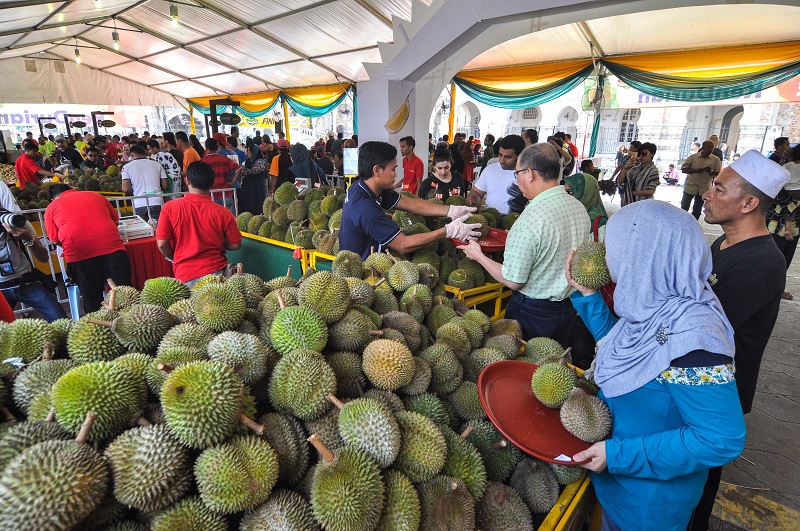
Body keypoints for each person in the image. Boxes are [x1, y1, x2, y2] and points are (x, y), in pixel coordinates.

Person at [566, 199, 746, 531]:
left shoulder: (695, 340)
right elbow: (625, 349)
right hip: (616, 485)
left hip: (650, 508)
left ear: (641, 255)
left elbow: (720, 439)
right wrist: (588, 296)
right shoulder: (654, 304)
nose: (608, 257)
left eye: (615, 247)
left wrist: (618, 456)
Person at [687, 150, 790, 530]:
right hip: (696, 375)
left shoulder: (760, 262)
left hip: (721, 385)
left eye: (719, 188)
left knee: (699, 480)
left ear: (749, 203)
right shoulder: (725, 244)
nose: (708, 194)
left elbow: (705, 326)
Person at [462, 142, 595, 368]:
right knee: (552, 368)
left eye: (517, 174)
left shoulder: (531, 218)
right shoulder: (577, 207)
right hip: (569, 308)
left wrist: (478, 255)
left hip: (535, 313)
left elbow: (513, 281)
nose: (516, 180)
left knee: (528, 370)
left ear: (530, 174)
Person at [339, 141, 480, 260]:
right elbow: (403, 245)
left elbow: (410, 203)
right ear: (377, 171)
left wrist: (450, 210)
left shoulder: (364, 187)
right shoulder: (365, 207)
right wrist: (447, 231)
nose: (396, 175)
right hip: (363, 274)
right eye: (393, 169)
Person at [44, 183, 132, 314]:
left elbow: (55, 239)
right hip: (112, 249)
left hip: (79, 255)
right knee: (124, 292)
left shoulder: (51, 207)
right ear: (73, 189)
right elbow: (115, 221)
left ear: (53, 198)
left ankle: (97, 325)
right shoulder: (96, 195)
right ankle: (131, 319)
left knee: (91, 297)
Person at [156, 161, 242, 287]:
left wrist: (176, 257)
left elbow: (162, 245)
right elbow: (235, 245)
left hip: (185, 275)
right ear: (212, 184)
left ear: (187, 181)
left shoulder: (169, 208)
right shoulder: (223, 212)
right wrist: (218, 241)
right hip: (217, 273)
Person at [0, 182, 67, 322]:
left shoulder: (17, 223)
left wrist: (27, 238)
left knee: (59, 320)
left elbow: (43, 258)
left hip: (26, 283)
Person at [764, 144, 799, 300]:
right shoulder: (788, 169)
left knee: (774, 255)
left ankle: (771, 287)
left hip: (776, 219)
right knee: (783, 257)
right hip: (786, 221)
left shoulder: (784, 167)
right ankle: (774, 288)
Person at [468, 134, 526, 215]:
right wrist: (473, 198)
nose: (502, 160)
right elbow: (477, 192)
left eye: (508, 157)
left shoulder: (528, 174)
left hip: (516, 223)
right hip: (489, 220)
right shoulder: (490, 169)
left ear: (519, 156)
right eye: (500, 155)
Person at [121, 145, 168, 221]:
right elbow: (165, 186)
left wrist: (134, 191)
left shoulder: (126, 167)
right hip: (156, 201)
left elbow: (125, 188)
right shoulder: (157, 164)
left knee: (145, 231)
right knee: (158, 230)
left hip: (139, 203)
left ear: (132, 155)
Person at [681, 140, 721, 219]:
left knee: (697, 209)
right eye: (708, 147)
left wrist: (711, 172)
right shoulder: (693, 157)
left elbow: (718, 173)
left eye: (712, 148)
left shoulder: (716, 160)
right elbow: (684, 169)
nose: (710, 149)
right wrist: (696, 170)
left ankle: (693, 225)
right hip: (690, 186)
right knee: (684, 206)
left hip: (704, 188)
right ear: (703, 148)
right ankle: (682, 223)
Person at [563, 171, 608, 238]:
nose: (564, 196)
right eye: (563, 192)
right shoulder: (567, 214)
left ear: (586, 194)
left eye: (570, 192)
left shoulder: (600, 223)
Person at [202, 138, 241, 214]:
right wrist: (232, 183)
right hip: (225, 193)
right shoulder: (224, 159)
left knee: (215, 220)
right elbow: (239, 169)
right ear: (217, 147)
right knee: (230, 218)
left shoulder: (203, 161)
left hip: (211, 195)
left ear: (206, 148)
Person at [619, 141, 660, 206]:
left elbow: (651, 191)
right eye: (639, 154)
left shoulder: (653, 170)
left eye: (644, 154)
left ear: (652, 154)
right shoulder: (636, 169)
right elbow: (621, 181)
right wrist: (626, 167)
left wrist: (631, 193)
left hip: (644, 204)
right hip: (632, 203)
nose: (641, 156)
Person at [239, 143, 268, 215]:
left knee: (257, 208)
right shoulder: (249, 161)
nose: (247, 152)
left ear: (254, 152)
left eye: (249, 150)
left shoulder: (261, 162)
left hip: (257, 189)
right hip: (249, 190)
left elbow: (253, 171)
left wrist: (242, 169)